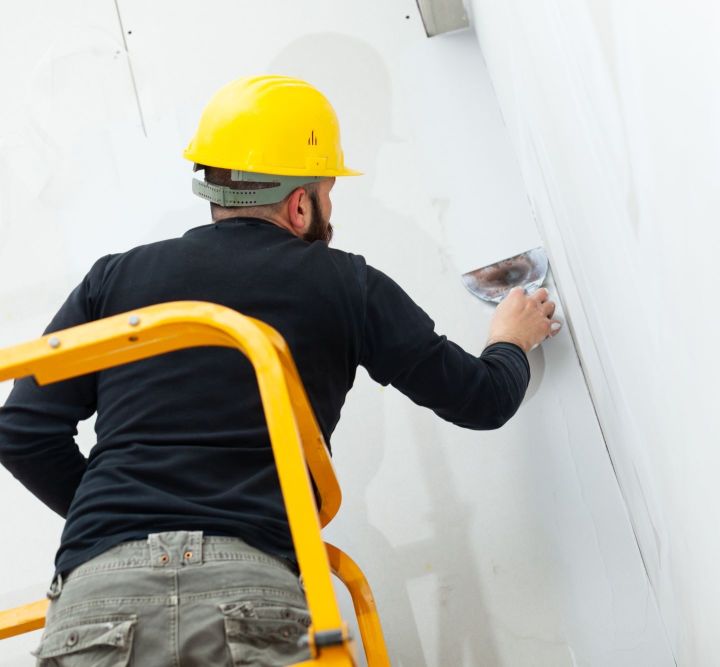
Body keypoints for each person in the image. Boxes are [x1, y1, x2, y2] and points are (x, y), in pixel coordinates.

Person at [0, 75, 560, 665]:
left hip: (97, 597)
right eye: (329, 191)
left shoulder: (113, 279)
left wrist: (114, 526)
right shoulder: (346, 283)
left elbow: (21, 431)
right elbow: (481, 400)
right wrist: (510, 339)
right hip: (248, 589)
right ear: (300, 204)